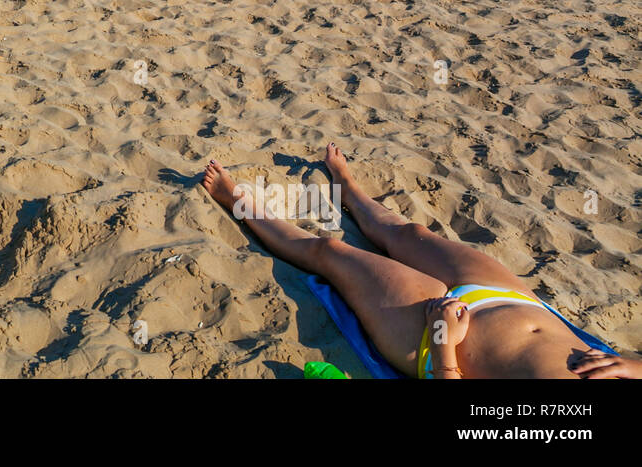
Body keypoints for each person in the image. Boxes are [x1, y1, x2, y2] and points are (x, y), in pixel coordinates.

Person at [200, 145, 642, 378]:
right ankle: (350, 190)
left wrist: (446, 342)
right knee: (412, 234)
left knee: (330, 253)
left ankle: (236, 200)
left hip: (440, 338)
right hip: (517, 303)